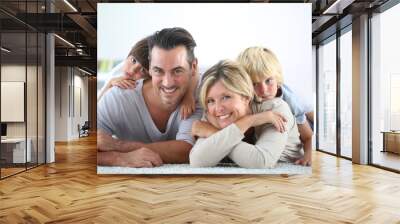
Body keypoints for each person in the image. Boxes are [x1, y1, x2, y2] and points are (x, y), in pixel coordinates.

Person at [97, 27, 202, 168]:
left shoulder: (201, 93)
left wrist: (117, 145)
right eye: (158, 71)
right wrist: (118, 158)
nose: (168, 82)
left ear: (193, 67)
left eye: (177, 71)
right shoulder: (118, 96)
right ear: (151, 69)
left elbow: (186, 150)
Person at [189, 60, 304, 168]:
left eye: (226, 97)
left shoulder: (275, 109)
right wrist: (248, 121)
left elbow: (261, 161)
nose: (218, 108)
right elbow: (197, 160)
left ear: (246, 97)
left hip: (287, 180)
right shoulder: (212, 114)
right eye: (210, 101)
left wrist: (211, 133)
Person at [237, 47, 313, 166]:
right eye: (254, 83)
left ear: (277, 79)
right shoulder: (248, 100)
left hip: (291, 155)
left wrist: (308, 154)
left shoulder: (290, 100)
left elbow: (308, 136)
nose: (263, 90)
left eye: (268, 81)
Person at [97, 36, 197, 119]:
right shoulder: (115, 78)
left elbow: (195, 72)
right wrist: (109, 84)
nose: (132, 70)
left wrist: (188, 96)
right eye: (133, 60)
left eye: (143, 70)